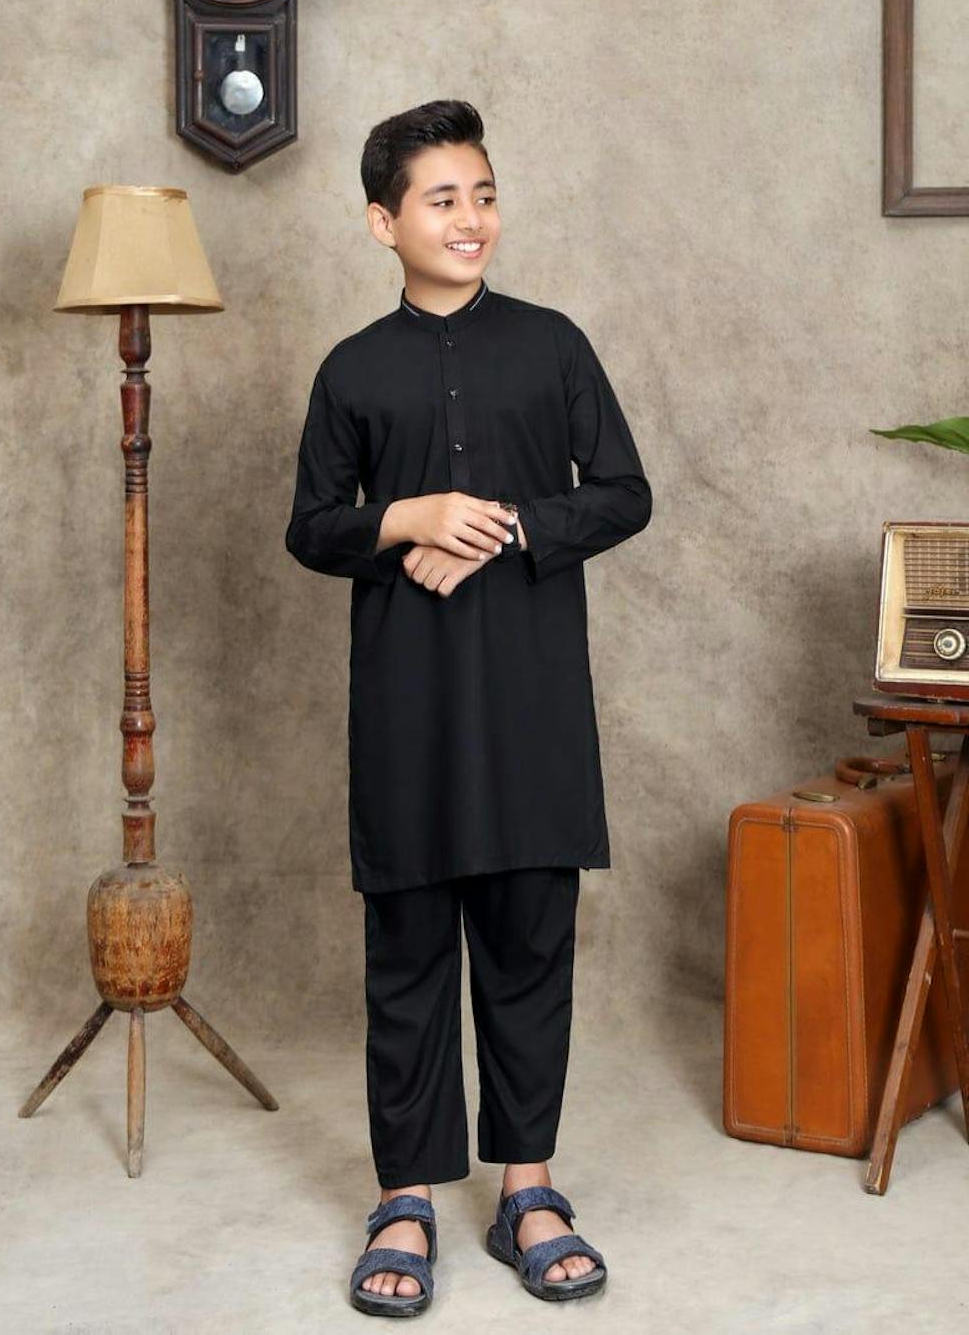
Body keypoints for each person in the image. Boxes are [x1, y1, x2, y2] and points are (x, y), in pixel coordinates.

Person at [285, 99, 652, 1314]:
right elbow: (312, 527)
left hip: (532, 698)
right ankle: (404, 1197)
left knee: (528, 943)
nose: (471, 218)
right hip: (407, 702)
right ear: (381, 222)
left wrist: (500, 526)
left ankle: (527, 1190)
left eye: (483, 194)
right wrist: (408, 517)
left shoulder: (552, 346)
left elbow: (624, 492)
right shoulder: (352, 369)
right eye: (442, 199)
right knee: (406, 953)